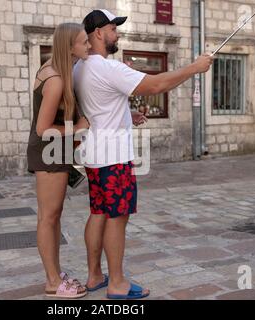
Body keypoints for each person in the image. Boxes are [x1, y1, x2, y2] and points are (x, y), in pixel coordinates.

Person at [73, 9, 214, 299]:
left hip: (94, 155)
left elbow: (99, 104)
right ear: (99, 33)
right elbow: (157, 84)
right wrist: (194, 68)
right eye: (113, 29)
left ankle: (94, 276)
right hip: (114, 158)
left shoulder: (80, 67)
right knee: (117, 217)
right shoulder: (108, 68)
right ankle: (117, 284)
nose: (117, 34)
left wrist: (127, 112)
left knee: (98, 213)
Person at [27, 23, 91, 298]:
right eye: (84, 42)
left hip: (55, 151)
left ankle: (54, 274)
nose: (88, 46)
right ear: (70, 47)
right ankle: (52, 281)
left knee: (52, 217)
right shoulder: (55, 80)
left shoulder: (54, 69)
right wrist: (78, 129)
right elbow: (43, 128)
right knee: (49, 218)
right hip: (48, 151)